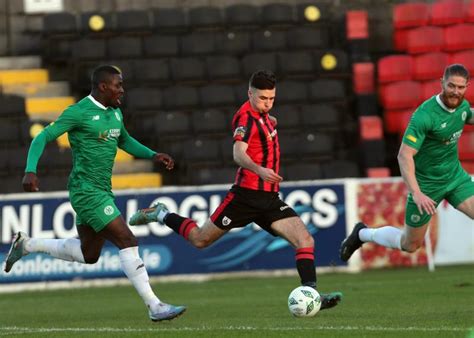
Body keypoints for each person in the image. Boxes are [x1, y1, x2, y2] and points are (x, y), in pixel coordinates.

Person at [129, 69, 343, 311]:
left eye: (272, 98)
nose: (268, 103)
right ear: (249, 93)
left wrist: (270, 121)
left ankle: (312, 295)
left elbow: (265, 127)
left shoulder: (264, 116)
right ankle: (161, 213)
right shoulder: (245, 119)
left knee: (305, 240)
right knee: (200, 239)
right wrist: (260, 170)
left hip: (270, 199)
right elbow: (238, 154)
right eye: (263, 98)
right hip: (245, 197)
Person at [3, 65, 186, 322]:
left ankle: (28, 244)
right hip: (85, 191)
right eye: (117, 85)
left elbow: (124, 140)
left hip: (102, 190)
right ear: (103, 87)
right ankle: (155, 306)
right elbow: (42, 137)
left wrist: (152, 154)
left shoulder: (115, 113)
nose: (121, 90)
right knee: (127, 240)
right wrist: (30, 170)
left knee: (89, 255)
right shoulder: (79, 112)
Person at [340, 64, 474, 262]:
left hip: (455, 178)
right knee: (410, 244)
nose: (455, 92)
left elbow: (468, 115)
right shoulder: (425, 116)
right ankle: (362, 234)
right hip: (425, 185)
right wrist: (417, 193)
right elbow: (404, 156)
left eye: (461, 87)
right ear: (442, 83)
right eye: (451, 86)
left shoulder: (462, 106)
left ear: (467, 86)